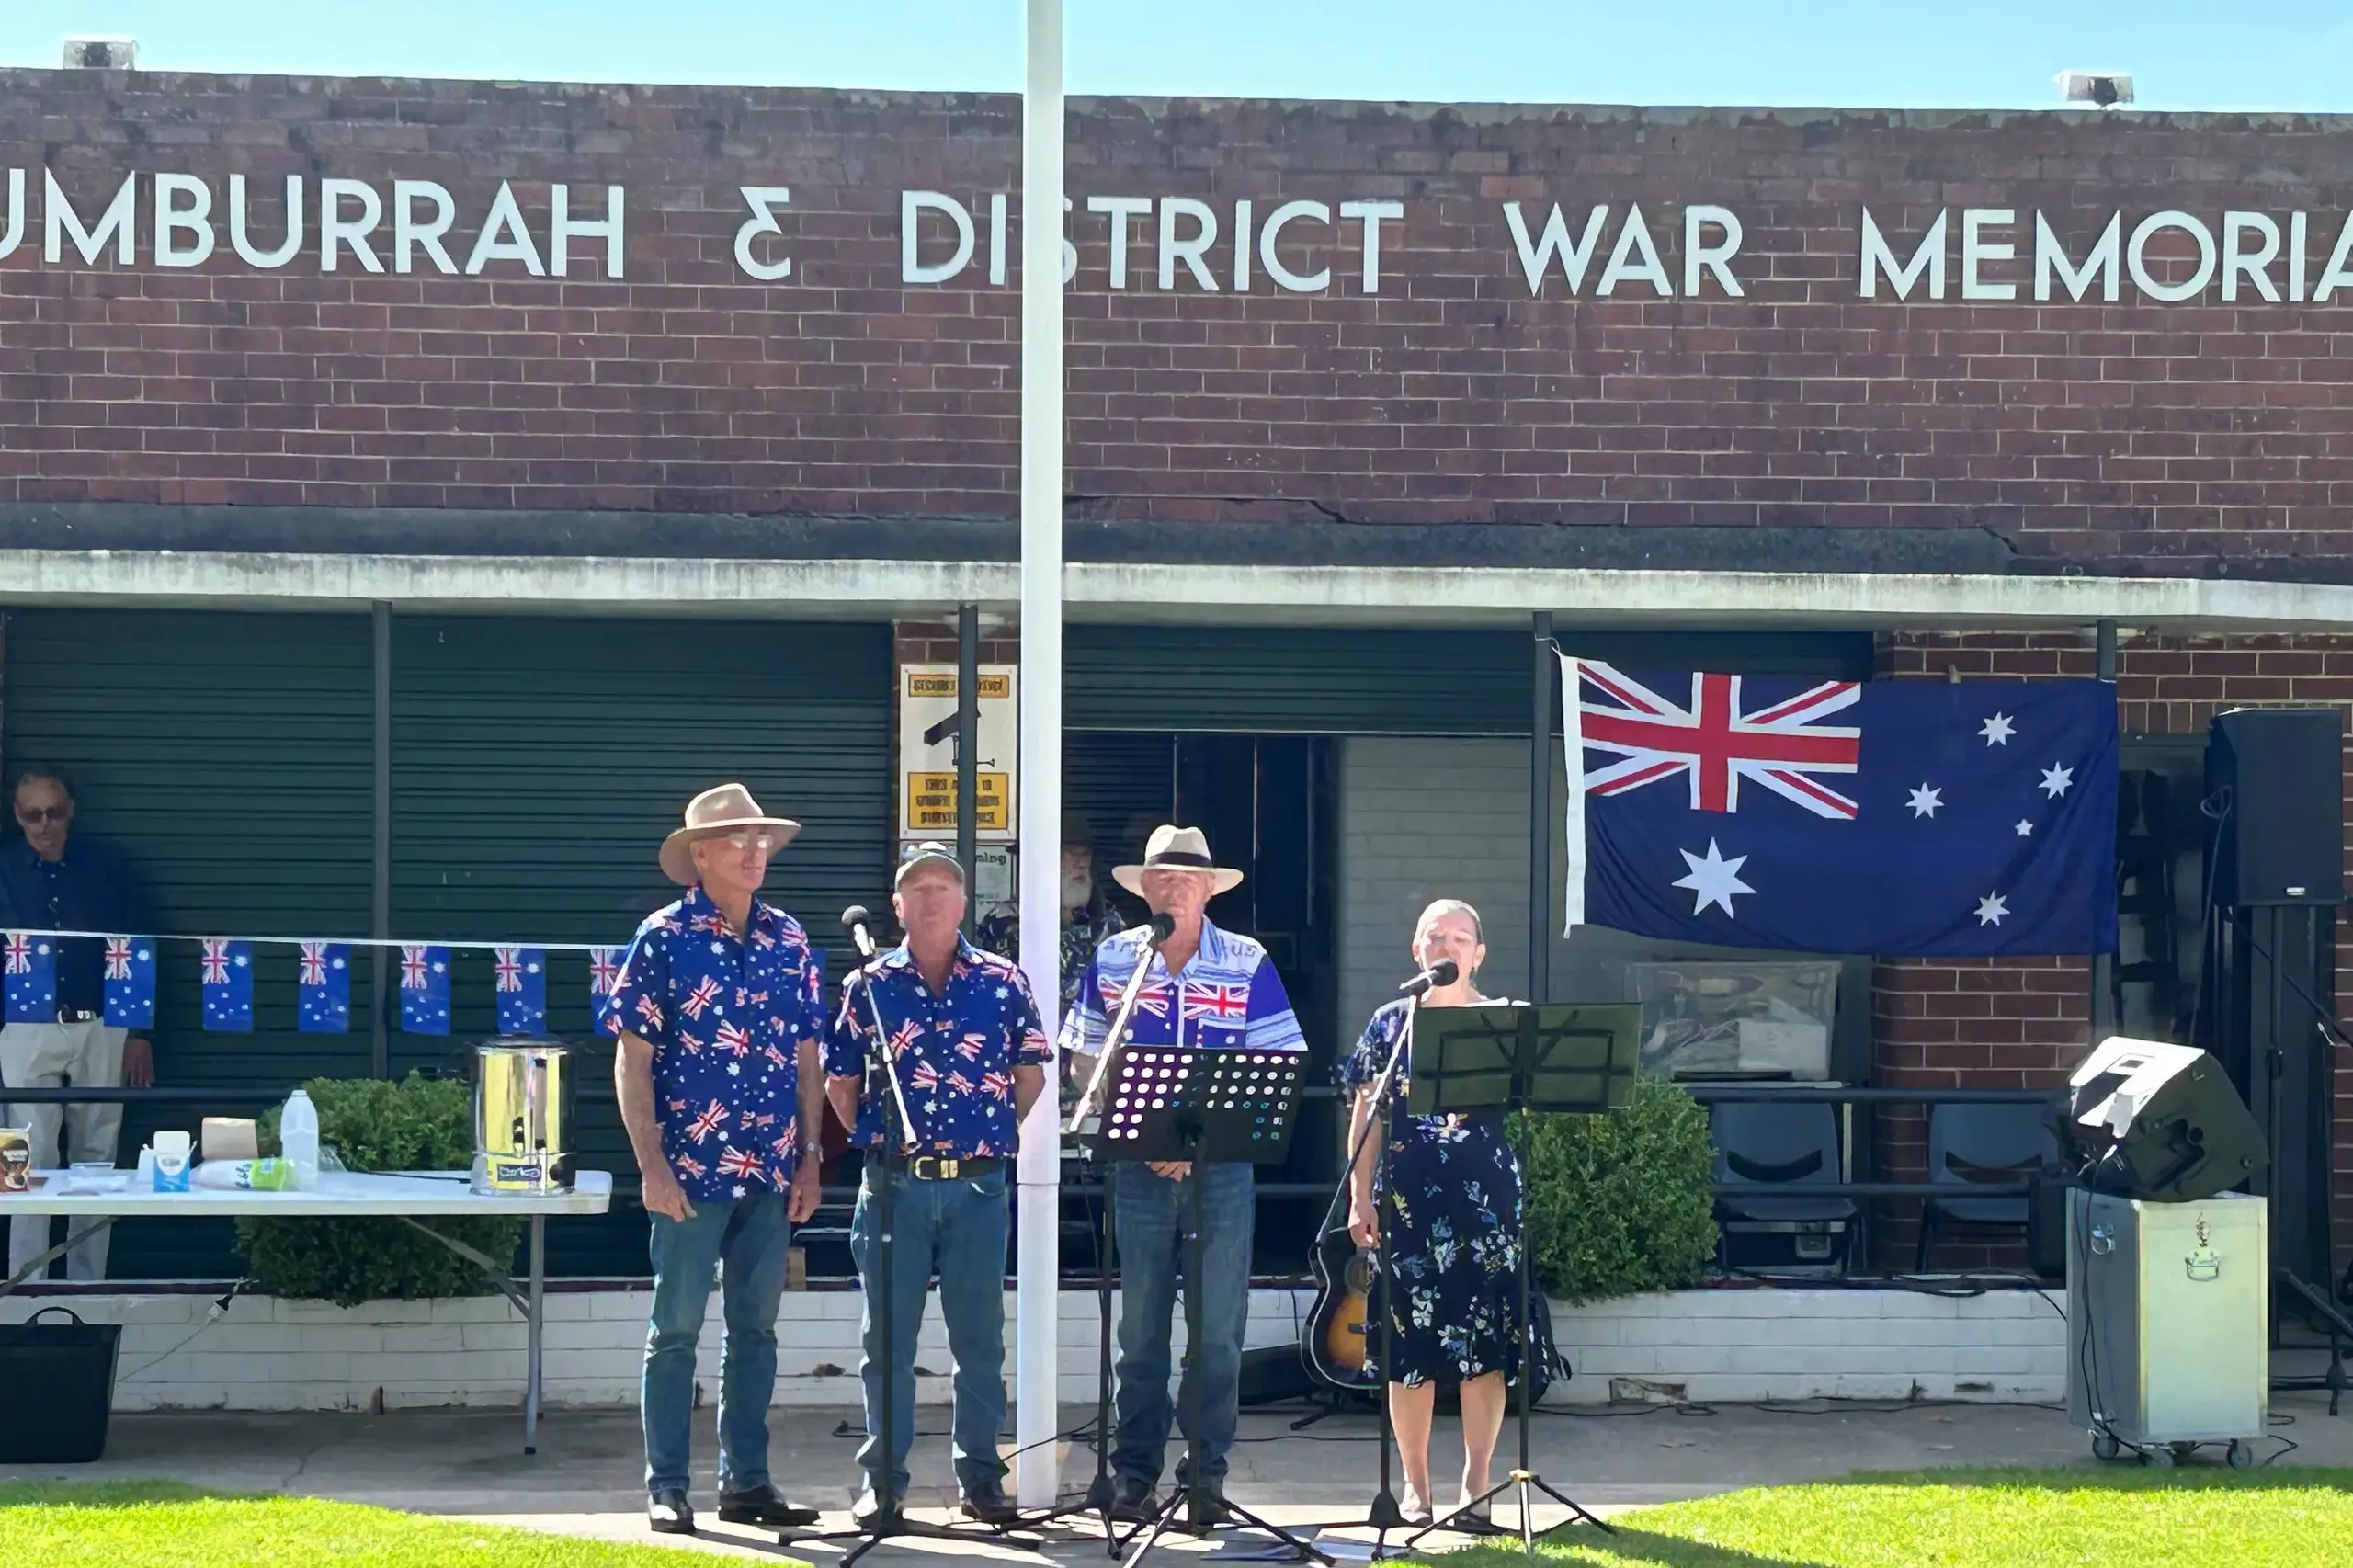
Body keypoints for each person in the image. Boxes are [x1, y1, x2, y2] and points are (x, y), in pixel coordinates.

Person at [1061, 824, 1304, 1523]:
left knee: (1218, 1332)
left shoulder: (1247, 960)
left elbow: (1277, 1067)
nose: (1174, 890)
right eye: (1161, 880)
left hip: (1219, 1171)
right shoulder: (1115, 959)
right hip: (1137, 1170)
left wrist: (1194, 1139)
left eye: (1186, 881)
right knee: (1139, 1332)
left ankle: (1205, 1478)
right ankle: (1134, 1473)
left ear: (1208, 889)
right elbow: (1082, 1060)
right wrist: (1118, 1104)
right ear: (1147, 891)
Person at [608, 783, 827, 1537]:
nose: (753, 851)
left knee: (756, 1333)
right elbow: (630, 1063)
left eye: (760, 839)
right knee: (675, 1330)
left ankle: (748, 1484)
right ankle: (667, 1485)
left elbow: (808, 1057)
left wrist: (810, 1157)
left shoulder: (790, 940)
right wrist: (652, 1165)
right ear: (699, 857)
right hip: (690, 1174)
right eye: (737, 841)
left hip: (770, 1172)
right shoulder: (662, 938)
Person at [824, 842, 1051, 1525]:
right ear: (897, 906)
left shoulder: (1004, 981)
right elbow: (841, 1082)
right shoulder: (867, 985)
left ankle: (981, 1477)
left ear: (963, 902)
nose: (931, 899)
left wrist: (978, 1139)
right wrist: (879, 1140)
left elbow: (1031, 1073)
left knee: (978, 1341)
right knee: (885, 1344)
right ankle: (884, 1483)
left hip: (979, 1189)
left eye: (944, 888)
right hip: (894, 1186)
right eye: (916, 889)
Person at [1339, 899, 1520, 1528]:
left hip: (1485, 1207)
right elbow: (1362, 1113)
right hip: (1407, 1208)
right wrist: (1360, 1199)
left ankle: (1478, 1482)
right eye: (1434, 936)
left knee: (1483, 1349)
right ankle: (1416, 1488)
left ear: (1479, 954)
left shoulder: (1503, 1023)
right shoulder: (1391, 1023)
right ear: (1416, 950)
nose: (1447, 946)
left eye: (1460, 937)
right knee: (1409, 1349)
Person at [0, 768, 148, 1282]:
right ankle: (24, 1285)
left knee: (97, 1155)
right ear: (17, 816)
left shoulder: (107, 867)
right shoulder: (2, 869)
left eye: (54, 813)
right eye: (32, 815)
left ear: (72, 810)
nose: (45, 825)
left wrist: (137, 1031)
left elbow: (133, 945)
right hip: (24, 1026)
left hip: (100, 1025)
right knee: (20, 1155)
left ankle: (87, 1284)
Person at [977, 811, 1131, 1015]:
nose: (1081, 864)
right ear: (1043, 860)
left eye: (1085, 853)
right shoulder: (1004, 922)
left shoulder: (1108, 921)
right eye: (1070, 854)